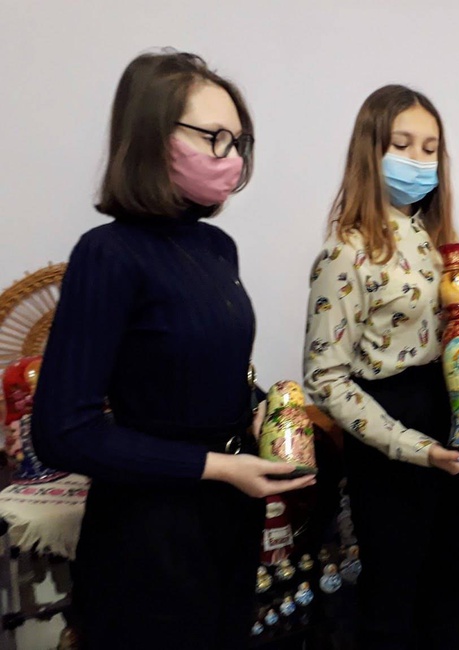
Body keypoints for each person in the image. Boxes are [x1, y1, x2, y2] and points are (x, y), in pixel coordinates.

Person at [31, 51, 315, 649]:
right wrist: (218, 467)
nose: (231, 158)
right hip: (149, 535)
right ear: (151, 136)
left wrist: (261, 409)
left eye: (239, 142)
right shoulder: (107, 255)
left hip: (228, 521)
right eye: (213, 138)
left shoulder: (217, 248)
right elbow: (63, 432)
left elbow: (208, 370)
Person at [303, 84, 459, 650]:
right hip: (390, 431)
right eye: (403, 144)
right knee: (393, 602)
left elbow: (426, 325)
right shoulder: (346, 252)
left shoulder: (435, 240)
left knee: (451, 586)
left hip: (450, 413)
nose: (419, 160)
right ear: (371, 151)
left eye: (430, 149)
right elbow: (326, 380)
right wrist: (415, 448)